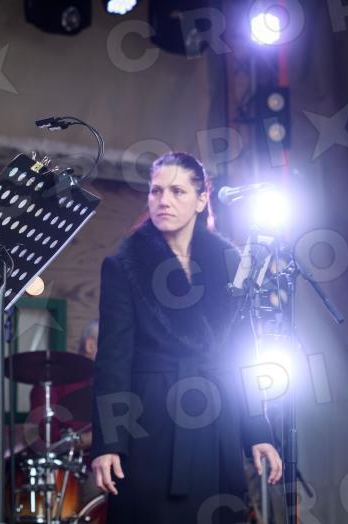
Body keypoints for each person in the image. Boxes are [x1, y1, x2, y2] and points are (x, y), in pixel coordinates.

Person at [89, 152, 282, 523]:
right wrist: (108, 443)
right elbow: (112, 360)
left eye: (177, 191)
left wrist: (258, 431)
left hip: (216, 423)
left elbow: (244, 355)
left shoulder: (231, 263)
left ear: (201, 199)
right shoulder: (122, 265)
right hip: (150, 425)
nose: (164, 200)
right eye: (156, 191)